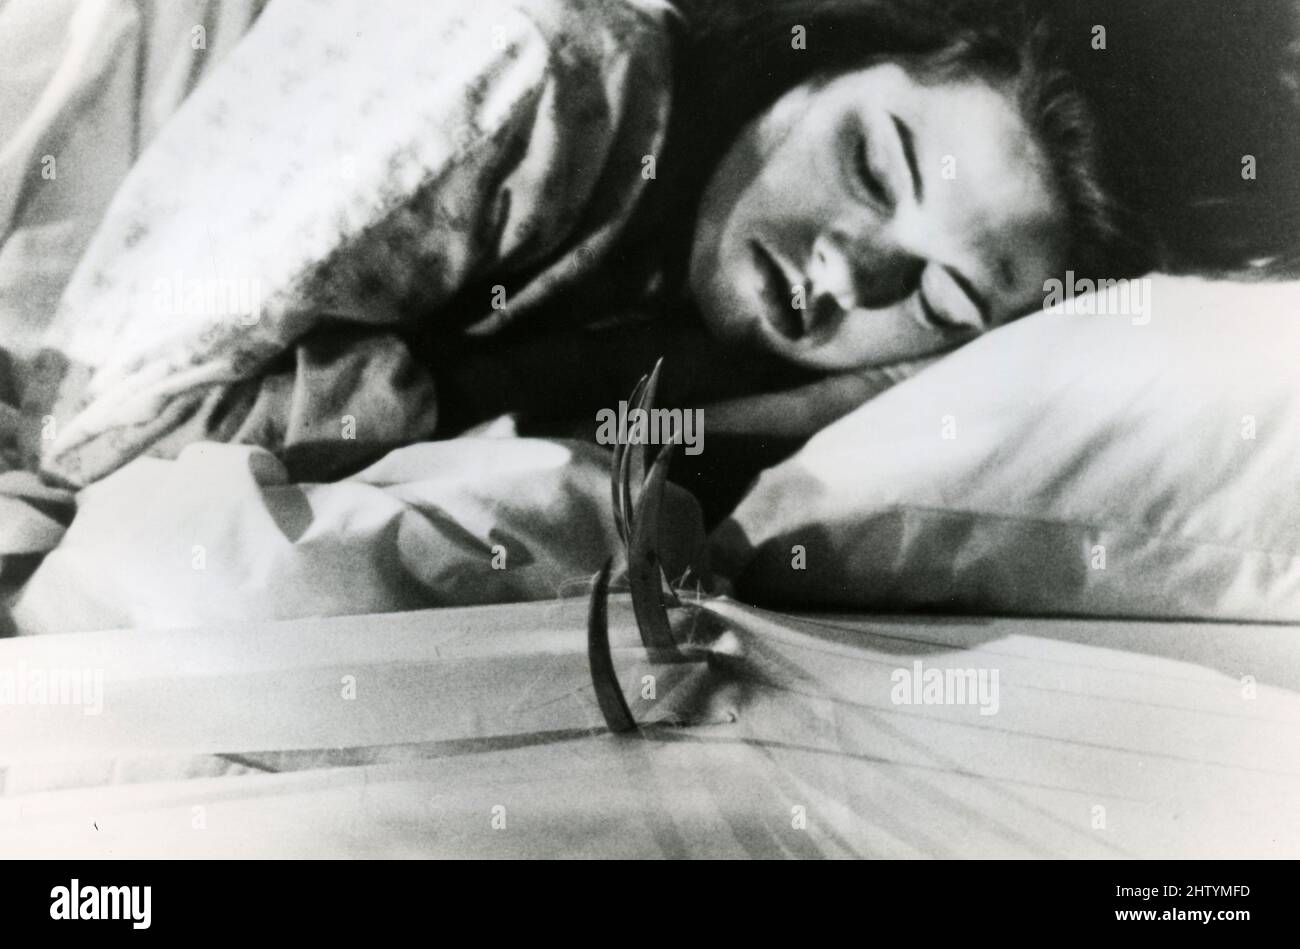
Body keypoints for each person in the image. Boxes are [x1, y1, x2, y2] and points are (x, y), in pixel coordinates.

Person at [15, 0, 1299, 493]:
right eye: (870, 164)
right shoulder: (543, 76)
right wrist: (771, 410)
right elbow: (108, 434)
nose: (851, 271)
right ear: (819, 59)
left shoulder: (664, 289)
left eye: (945, 295)